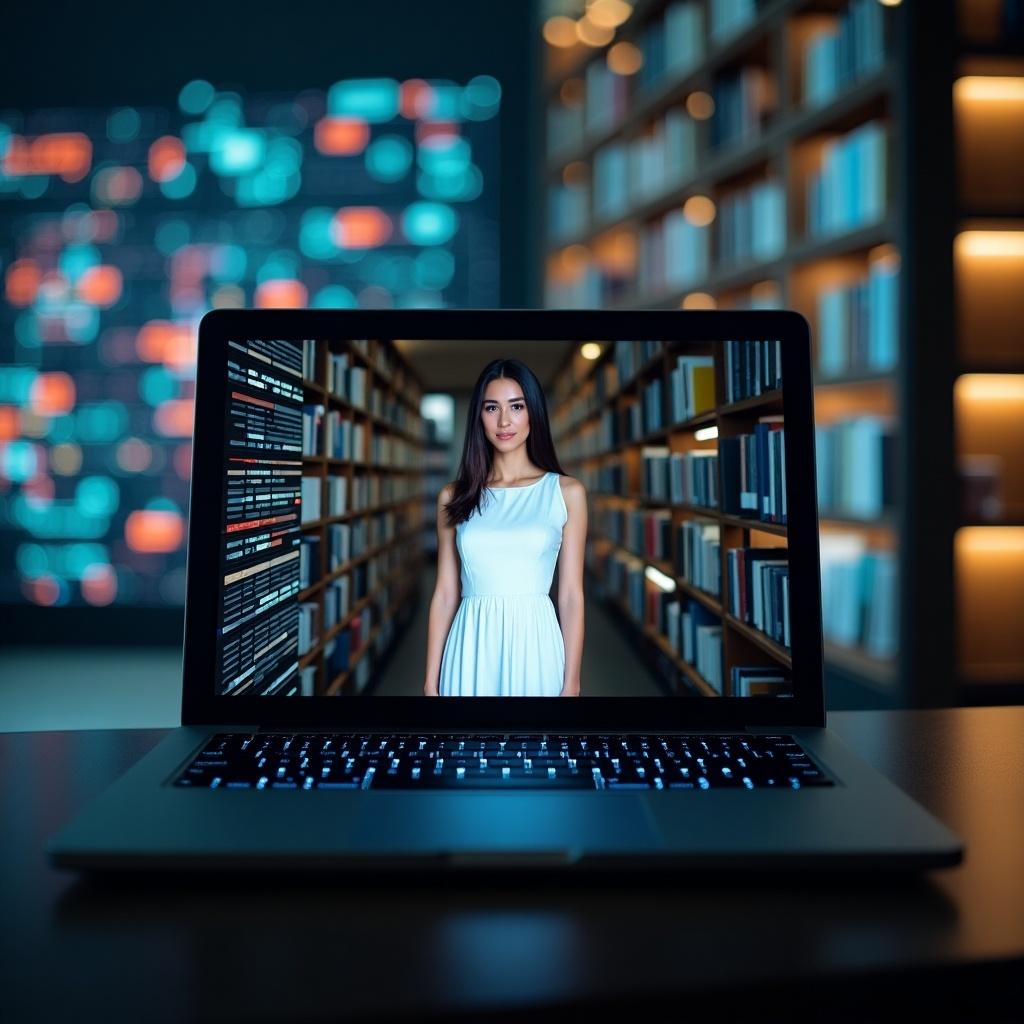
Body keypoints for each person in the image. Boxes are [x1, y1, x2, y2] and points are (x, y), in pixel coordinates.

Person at [423, 357, 587, 697]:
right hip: (469, 646)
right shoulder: (453, 497)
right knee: (464, 751)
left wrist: (572, 684)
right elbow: (444, 594)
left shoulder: (566, 492)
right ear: (478, 417)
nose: (504, 421)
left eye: (516, 406)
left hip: (537, 646)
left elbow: (570, 596)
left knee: (537, 751)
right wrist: (430, 683)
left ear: (534, 413)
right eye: (491, 408)